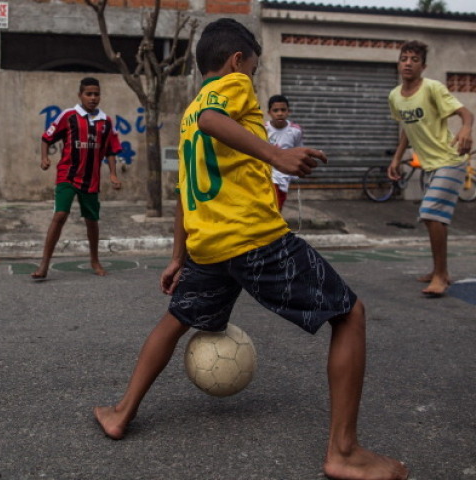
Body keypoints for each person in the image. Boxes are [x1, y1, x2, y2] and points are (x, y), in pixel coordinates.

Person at [94, 18, 408, 480]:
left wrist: (179, 255)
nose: (254, 79)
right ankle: (343, 451)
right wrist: (276, 154)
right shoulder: (228, 87)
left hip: (209, 246)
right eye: (255, 68)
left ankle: (121, 412)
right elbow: (212, 119)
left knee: (177, 318)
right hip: (253, 238)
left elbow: (184, 187)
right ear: (237, 60)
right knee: (350, 314)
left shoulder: (186, 114)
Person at [387, 40, 474, 297]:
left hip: (451, 160)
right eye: (404, 58)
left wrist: (466, 130)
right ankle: (441, 270)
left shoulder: (432, 88)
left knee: (431, 214)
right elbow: (406, 129)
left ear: (423, 66)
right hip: (429, 165)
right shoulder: (394, 96)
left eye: (414, 59)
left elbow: (466, 114)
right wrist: (396, 158)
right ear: (399, 62)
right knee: (435, 220)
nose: (408, 63)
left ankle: (440, 276)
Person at [31, 77, 122, 279]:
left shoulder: (105, 122)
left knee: (91, 220)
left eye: (96, 94)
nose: (93, 98)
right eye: (88, 94)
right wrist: (44, 158)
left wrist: (113, 175)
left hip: (91, 179)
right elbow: (47, 137)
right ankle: (44, 264)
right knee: (60, 215)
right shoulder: (69, 116)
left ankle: (95, 260)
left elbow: (111, 150)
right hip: (67, 175)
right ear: (80, 95)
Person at [265, 94, 303, 210]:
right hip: (268, 176)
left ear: (288, 111)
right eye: (275, 110)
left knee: (278, 207)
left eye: (283, 110)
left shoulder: (295, 131)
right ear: (269, 113)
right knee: (271, 207)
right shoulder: (264, 129)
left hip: (284, 177)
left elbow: (298, 149)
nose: (280, 113)